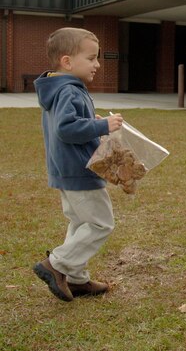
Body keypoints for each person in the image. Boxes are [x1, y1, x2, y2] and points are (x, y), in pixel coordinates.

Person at [32, 27, 124, 301]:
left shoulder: (60, 88)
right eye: (92, 58)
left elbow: (69, 123)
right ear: (67, 61)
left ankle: (76, 278)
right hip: (79, 170)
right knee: (100, 224)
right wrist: (101, 124)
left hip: (66, 171)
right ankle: (57, 264)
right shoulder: (69, 91)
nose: (97, 64)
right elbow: (66, 128)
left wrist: (91, 119)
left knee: (79, 223)